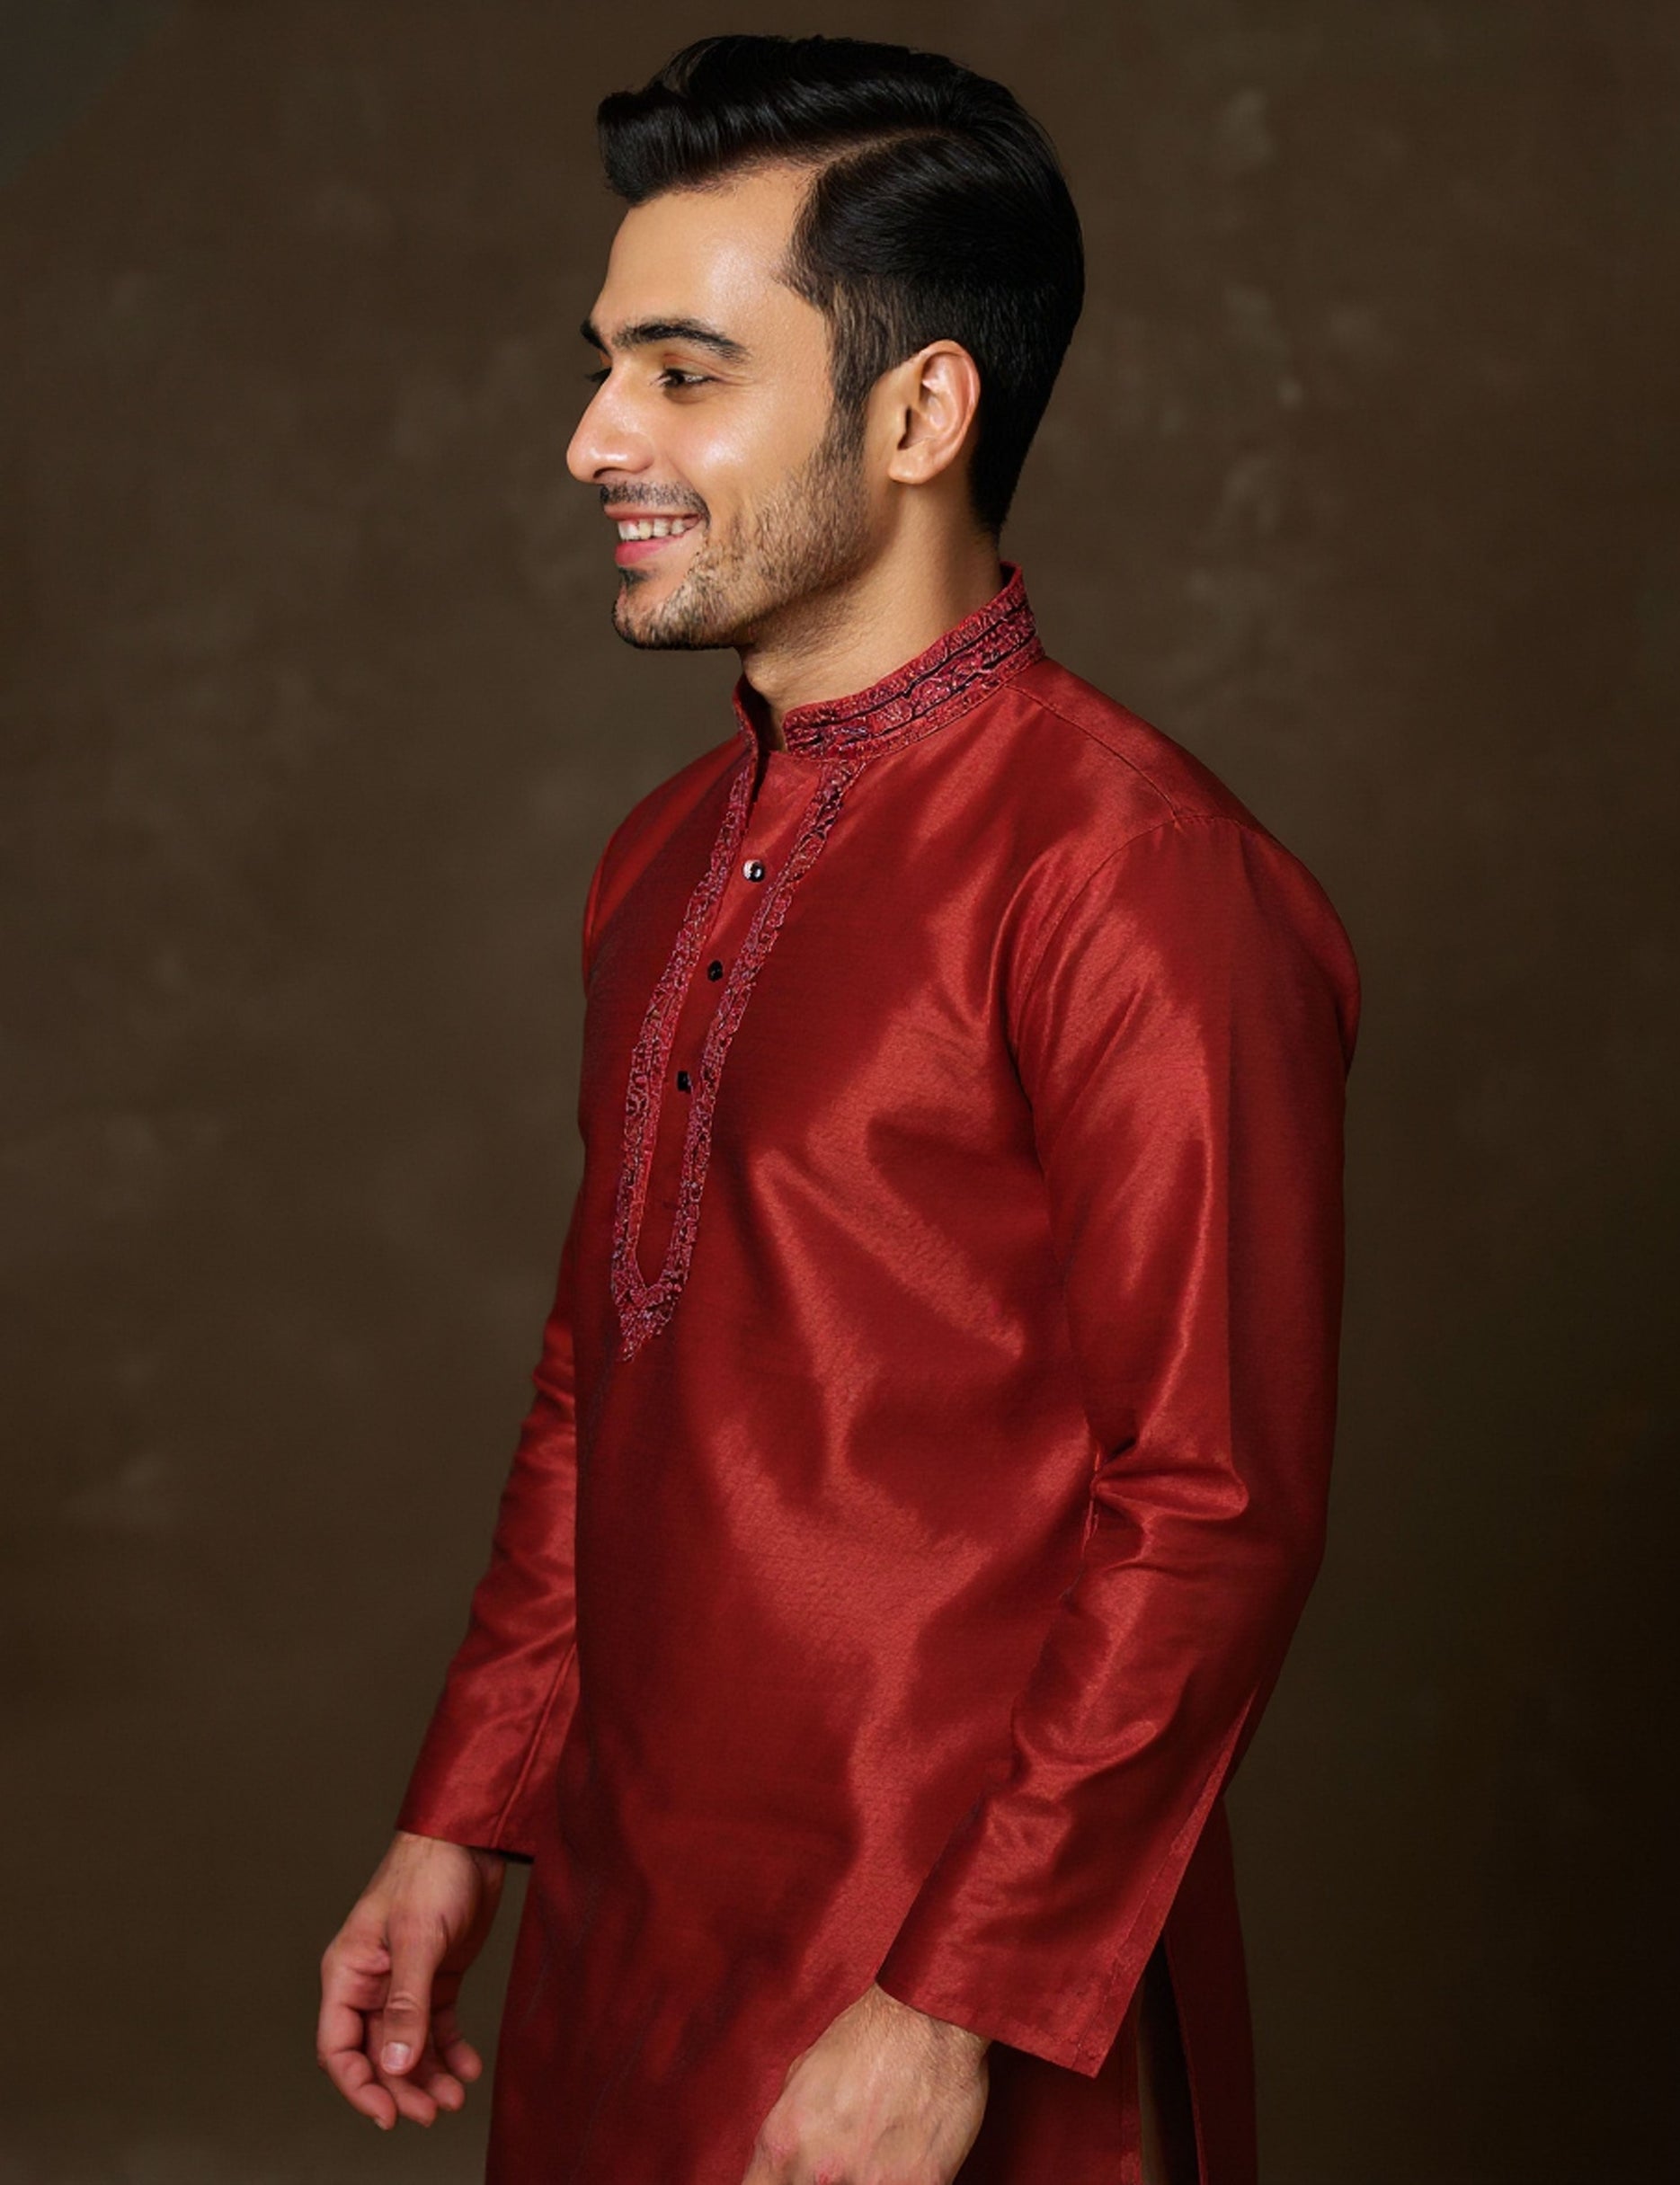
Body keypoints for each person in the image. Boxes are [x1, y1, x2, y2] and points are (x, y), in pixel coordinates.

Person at [315, 33, 1360, 2185]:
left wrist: (958, 1998)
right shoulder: (661, 852)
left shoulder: (1132, 877)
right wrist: (464, 1815)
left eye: (683, 373)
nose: (595, 433)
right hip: (628, 1942)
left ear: (918, 410)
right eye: (607, 364)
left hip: (955, 1990)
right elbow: (599, 1377)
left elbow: (1213, 1503)